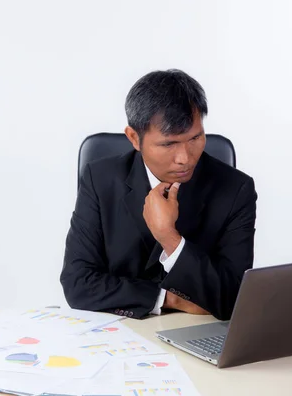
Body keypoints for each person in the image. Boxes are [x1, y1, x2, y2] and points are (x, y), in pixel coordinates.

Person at [60, 69, 257, 320]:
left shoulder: (236, 189)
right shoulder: (100, 179)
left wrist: (170, 239)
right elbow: (78, 284)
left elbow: (232, 298)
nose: (185, 158)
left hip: (196, 334)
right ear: (134, 138)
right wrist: (167, 299)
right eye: (168, 144)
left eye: (195, 137)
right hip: (119, 332)